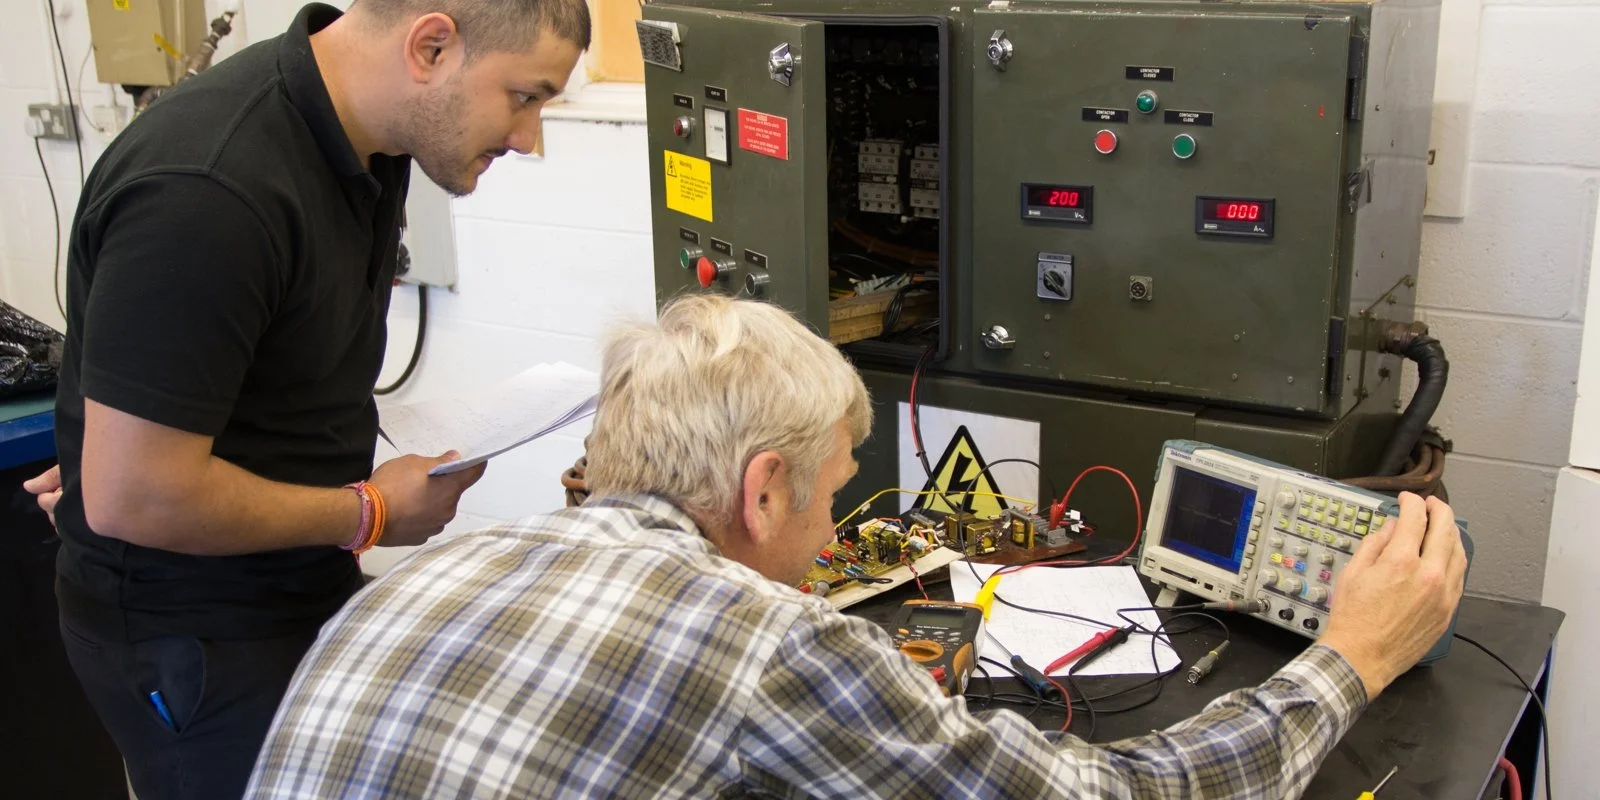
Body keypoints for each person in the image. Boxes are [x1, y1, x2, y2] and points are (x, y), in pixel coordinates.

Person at [242, 294, 1468, 799]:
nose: (836, 535)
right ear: (761, 488)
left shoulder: (439, 566)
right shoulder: (754, 634)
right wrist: (1347, 659)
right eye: (835, 492)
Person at [21, 1, 590, 798]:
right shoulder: (210, 188)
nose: (528, 137)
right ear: (431, 45)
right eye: (525, 97)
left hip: (292, 590)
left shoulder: (369, 145)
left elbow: (220, 377)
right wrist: (371, 514)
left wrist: (120, 450)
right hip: (196, 634)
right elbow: (135, 496)